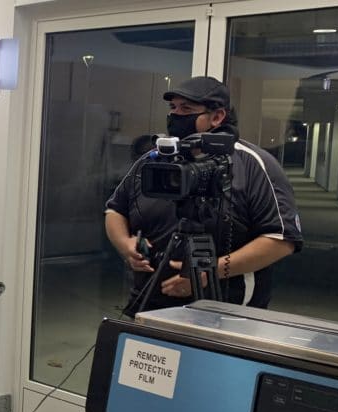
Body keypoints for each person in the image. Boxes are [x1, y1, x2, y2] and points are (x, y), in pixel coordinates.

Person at [104, 76, 303, 316]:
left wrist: (210, 272)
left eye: (186, 109)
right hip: (148, 306)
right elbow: (115, 210)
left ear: (217, 117)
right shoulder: (153, 160)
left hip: (228, 314)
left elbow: (281, 241)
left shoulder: (253, 165)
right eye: (173, 108)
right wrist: (125, 246)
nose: (176, 116)